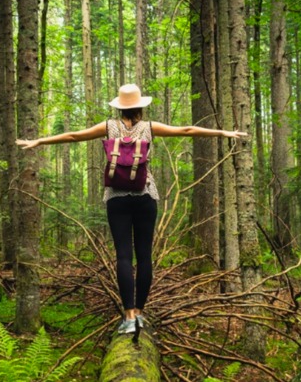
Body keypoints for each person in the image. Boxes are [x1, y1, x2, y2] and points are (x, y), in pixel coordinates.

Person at [16, 84, 247, 334]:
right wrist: (223, 133)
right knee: (144, 255)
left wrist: (39, 141)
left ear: (119, 107)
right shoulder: (149, 128)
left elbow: (73, 136)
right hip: (145, 195)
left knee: (124, 256)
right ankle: (140, 313)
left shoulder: (107, 127)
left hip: (116, 198)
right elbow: (187, 130)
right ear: (140, 106)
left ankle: (128, 316)